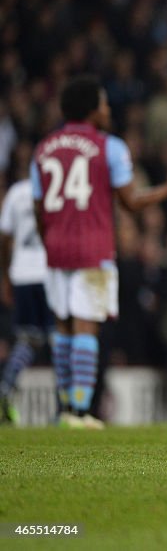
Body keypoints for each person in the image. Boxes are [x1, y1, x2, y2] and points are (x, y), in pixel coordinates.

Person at [33, 75, 167, 429]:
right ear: (92, 110)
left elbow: (39, 207)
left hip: (56, 247)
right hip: (92, 248)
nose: (108, 111)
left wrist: (51, 239)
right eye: (104, 105)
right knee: (85, 328)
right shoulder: (110, 147)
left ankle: (65, 407)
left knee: (63, 329)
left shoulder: (44, 148)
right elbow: (132, 202)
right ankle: (80, 410)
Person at [0, 169, 53, 423]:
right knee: (59, 337)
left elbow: (5, 237)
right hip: (49, 272)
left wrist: (7, 273)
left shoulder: (15, 193)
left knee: (28, 338)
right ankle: (69, 404)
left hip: (21, 272)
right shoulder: (53, 191)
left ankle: (5, 386)